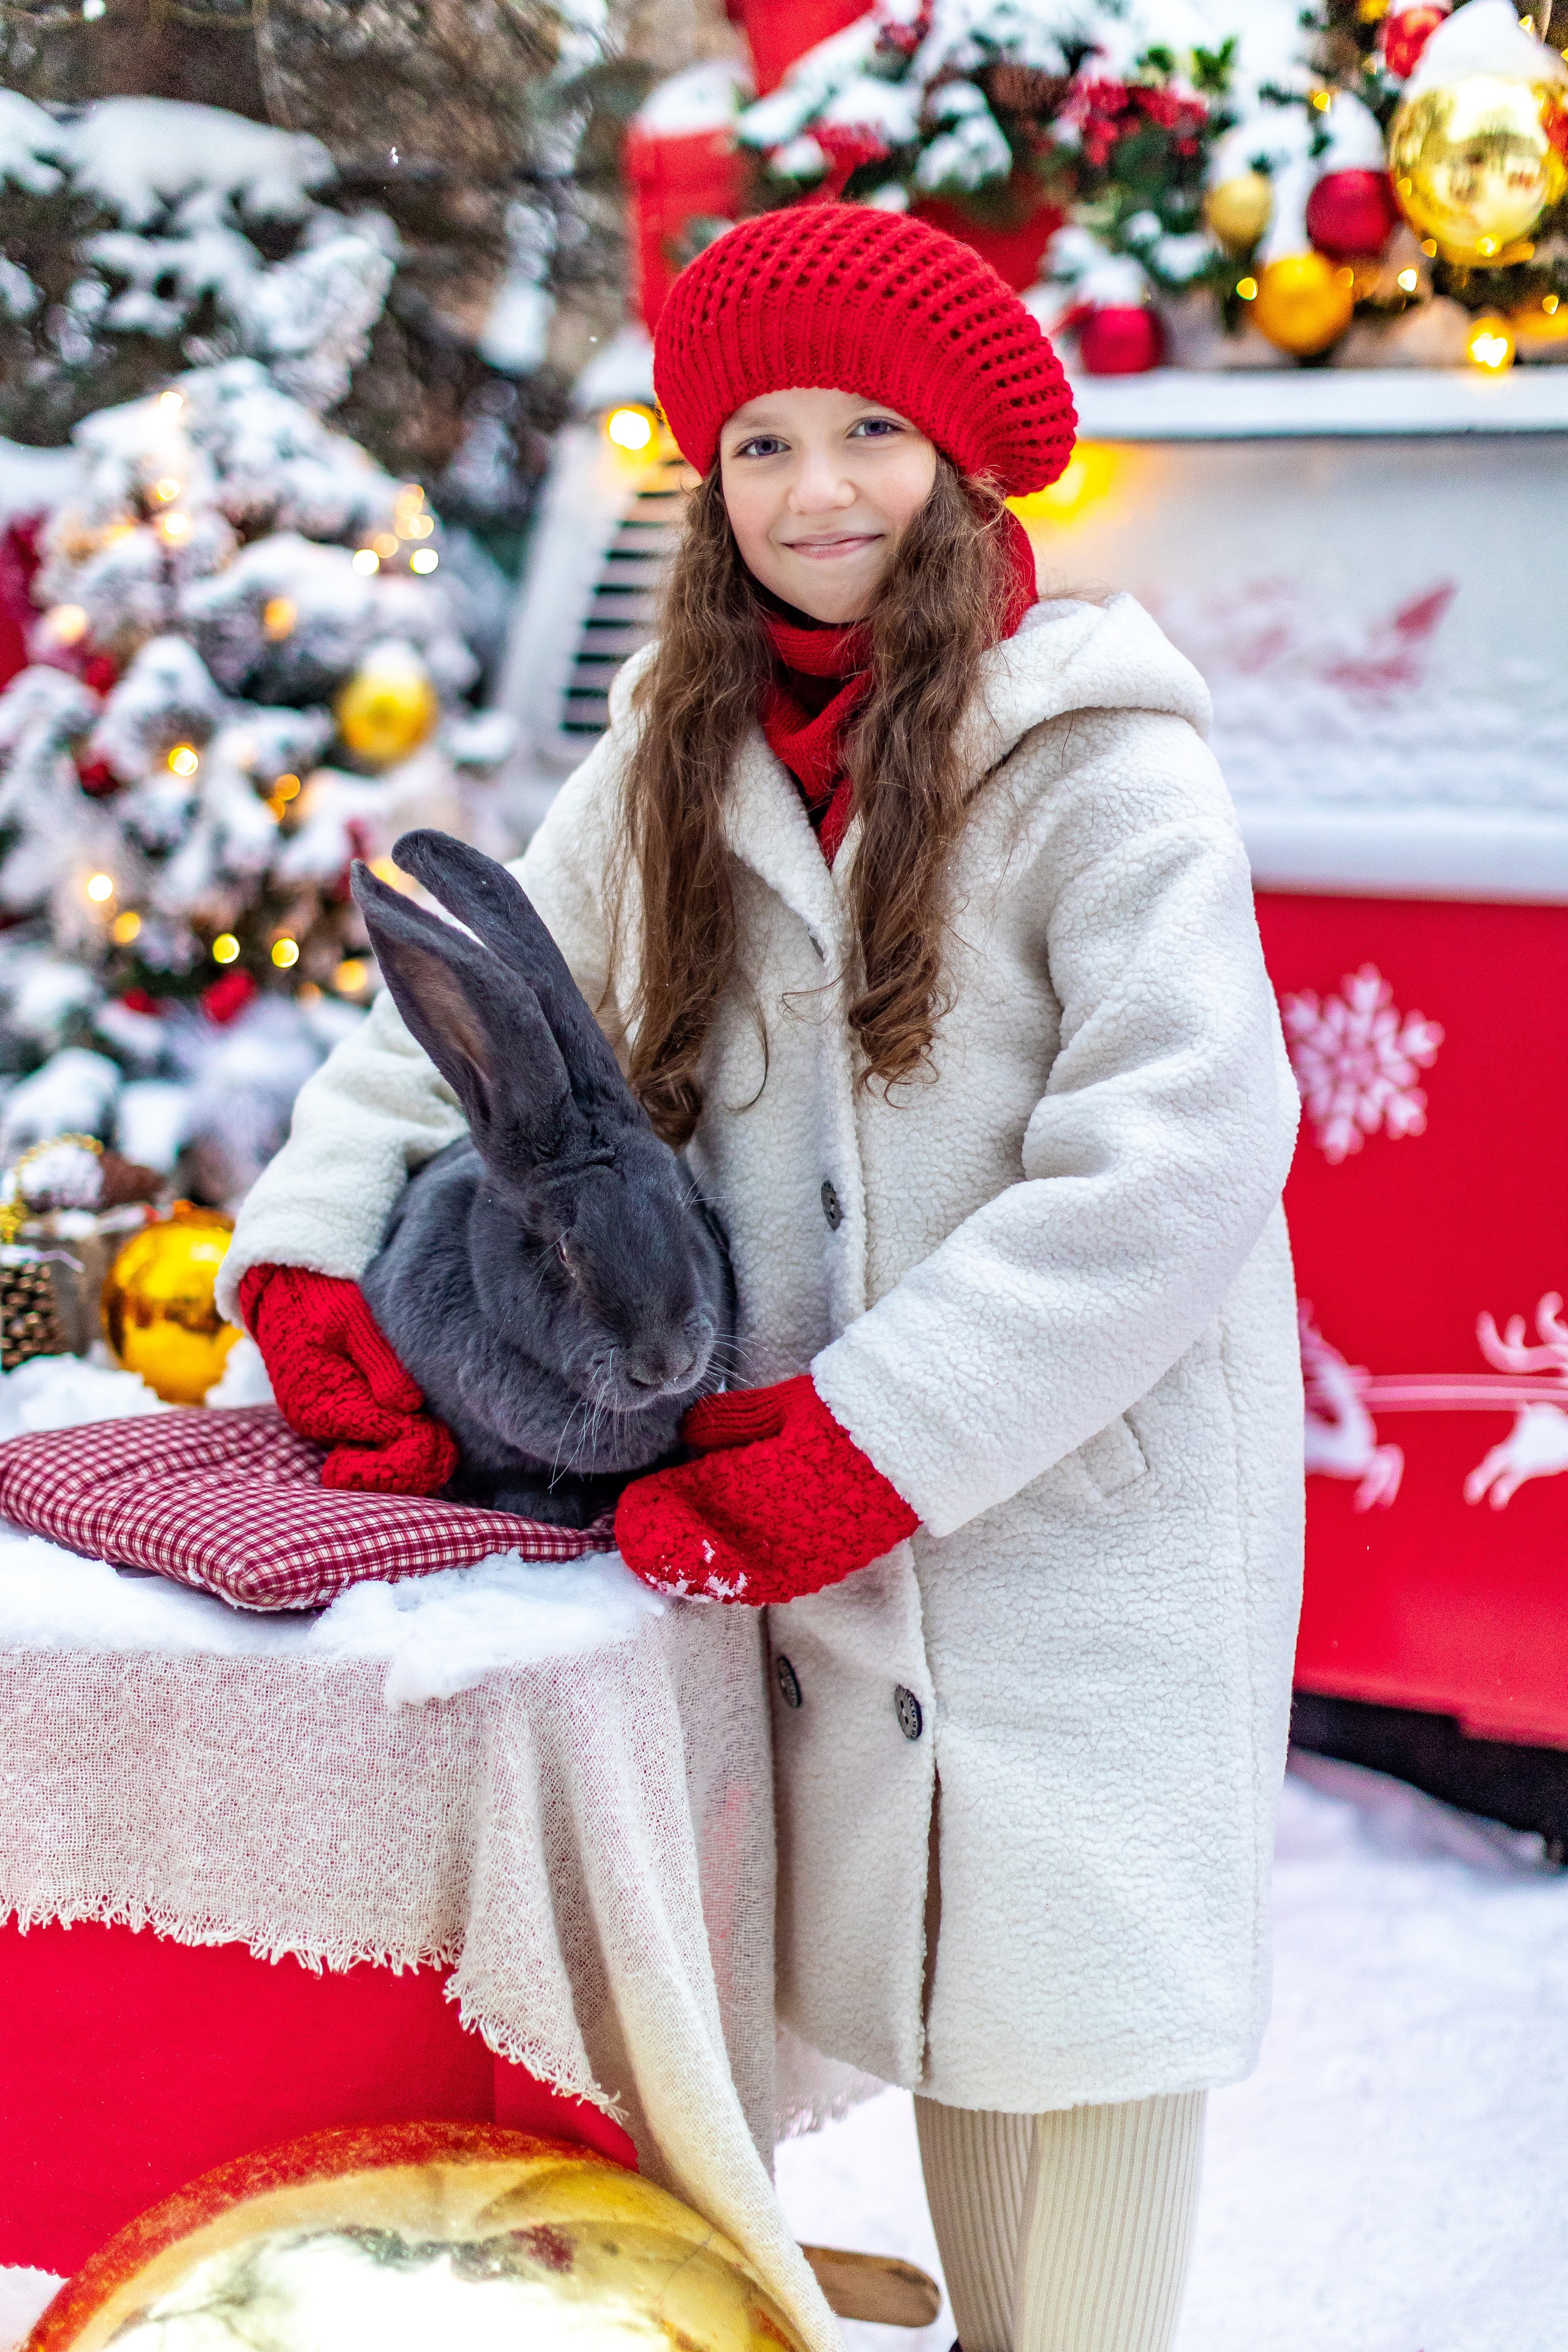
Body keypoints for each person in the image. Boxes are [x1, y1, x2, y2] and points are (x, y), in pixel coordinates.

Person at [222, 204, 1303, 2352]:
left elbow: (1174, 1164)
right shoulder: (675, 748)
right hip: (806, 1536)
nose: (818, 493)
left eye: (870, 433)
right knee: (916, 2014)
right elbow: (466, 1007)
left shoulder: (1106, 765)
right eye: (761, 445)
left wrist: (869, 1446)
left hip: (1068, 1534)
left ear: (965, 459)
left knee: (1074, 2057)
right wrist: (318, 1254)